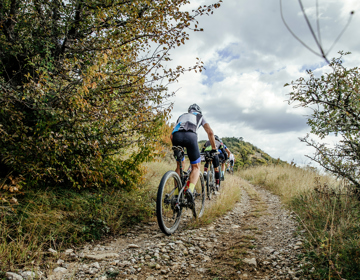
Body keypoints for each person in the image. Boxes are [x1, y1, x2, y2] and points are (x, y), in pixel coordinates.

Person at [170, 104, 217, 206]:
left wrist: (176, 147)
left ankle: (176, 195)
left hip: (176, 137)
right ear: (199, 111)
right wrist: (214, 148)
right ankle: (190, 190)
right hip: (191, 136)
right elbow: (210, 132)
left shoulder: (181, 116)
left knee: (179, 165)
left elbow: (171, 135)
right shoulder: (200, 116)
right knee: (196, 167)